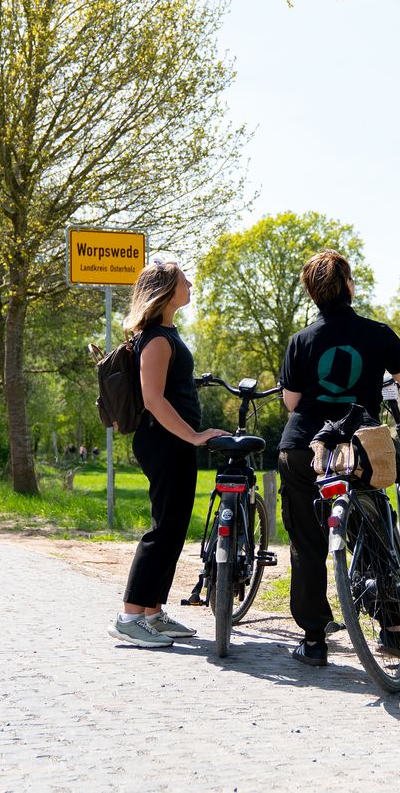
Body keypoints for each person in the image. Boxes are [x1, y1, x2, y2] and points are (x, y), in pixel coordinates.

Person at [277, 249, 400, 667]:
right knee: (375, 533)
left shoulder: (300, 340)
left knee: (306, 543)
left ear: (312, 293)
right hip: (359, 449)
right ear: (350, 287)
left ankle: (315, 640)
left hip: (305, 448)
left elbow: (291, 402)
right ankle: (392, 630)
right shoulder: (377, 333)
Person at [108, 260, 228, 649]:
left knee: (174, 526)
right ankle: (129, 616)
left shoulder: (165, 334)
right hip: (163, 440)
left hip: (170, 441)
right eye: (183, 281)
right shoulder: (157, 338)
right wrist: (194, 435)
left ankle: (152, 613)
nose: (190, 284)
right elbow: (154, 400)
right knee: (163, 528)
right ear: (165, 290)